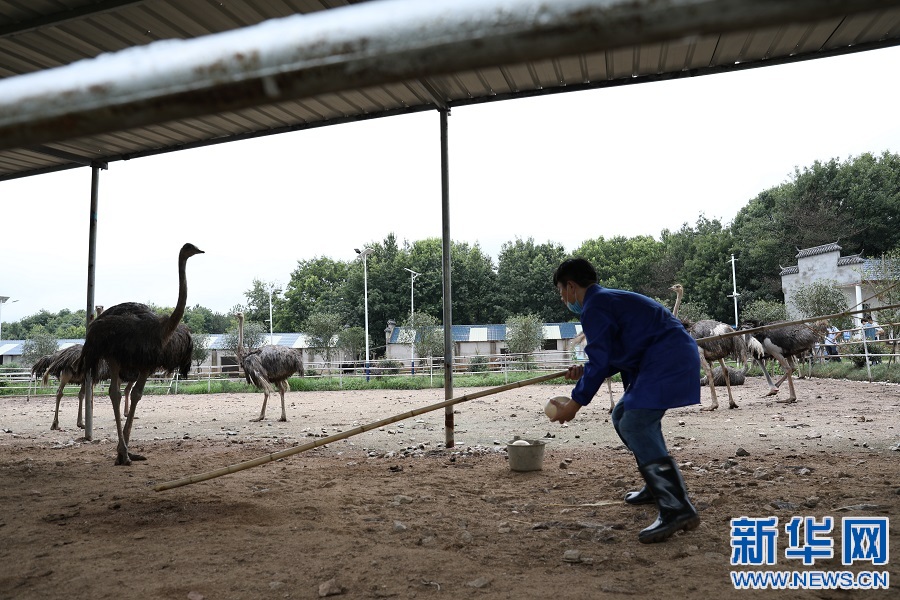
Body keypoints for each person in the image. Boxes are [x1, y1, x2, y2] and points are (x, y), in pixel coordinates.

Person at [548, 258, 701, 543]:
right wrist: (586, 372)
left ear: (571, 286)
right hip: (660, 357)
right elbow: (609, 357)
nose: (562, 299)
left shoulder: (595, 306)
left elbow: (603, 358)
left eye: (561, 291)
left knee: (635, 422)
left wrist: (574, 403)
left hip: (666, 357)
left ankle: (676, 506)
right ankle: (657, 487)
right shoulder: (606, 301)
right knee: (623, 416)